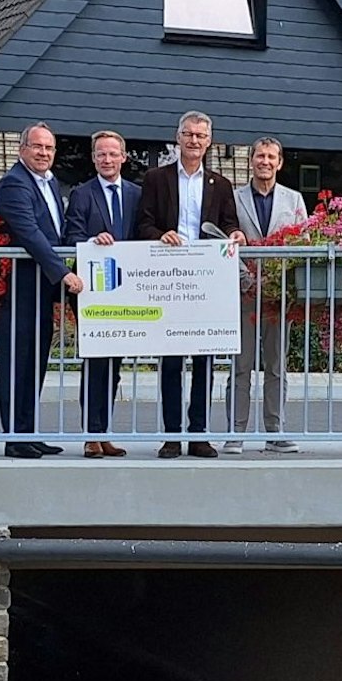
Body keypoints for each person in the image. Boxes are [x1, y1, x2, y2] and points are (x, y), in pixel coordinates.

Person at [134, 110, 244, 458]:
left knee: (204, 362)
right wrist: (159, 234)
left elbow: (228, 224)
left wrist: (235, 233)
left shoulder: (221, 184)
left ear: (209, 140)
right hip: (169, 278)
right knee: (170, 362)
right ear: (177, 137)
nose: (194, 140)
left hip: (206, 281)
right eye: (188, 134)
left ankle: (198, 434)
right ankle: (171, 436)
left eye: (200, 135)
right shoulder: (156, 178)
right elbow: (143, 224)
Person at [0, 122, 83, 459]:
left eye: (49, 148)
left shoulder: (49, 182)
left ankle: (28, 433)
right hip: (20, 286)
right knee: (17, 361)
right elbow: (30, 234)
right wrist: (62, 273)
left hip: (40, 288)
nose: (44, 153)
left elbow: (57, 233)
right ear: (22, 149)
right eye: (37, 147)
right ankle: (14, 438)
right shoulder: (14, 184)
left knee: (35, 362)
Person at [62, 130, 143, 458]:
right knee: (95, 363)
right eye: (100, 154)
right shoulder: (82, 194)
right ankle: (91, 434)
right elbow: (71, 237)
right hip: (93, 292)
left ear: (123, 157)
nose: (107, 160)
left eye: (113, 154)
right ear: (93, 158)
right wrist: (93, 241)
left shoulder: (138, 194)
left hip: (127, 292)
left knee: (114, 366)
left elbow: (144, 234)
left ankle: (104, 429)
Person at [226, 136, 308, 454]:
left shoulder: (294, 200)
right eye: (260, 156)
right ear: (251, 161)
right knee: (241, 365)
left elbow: (304, 243)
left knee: (276, 365)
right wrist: (246, 278)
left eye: (271, 157)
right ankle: (236, 433)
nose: (265, 161)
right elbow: (226, 243)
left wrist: (282, 281)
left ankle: (276, 430)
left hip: (280, 295)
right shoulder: (233, 198)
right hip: (244, 291)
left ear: (280, 162)